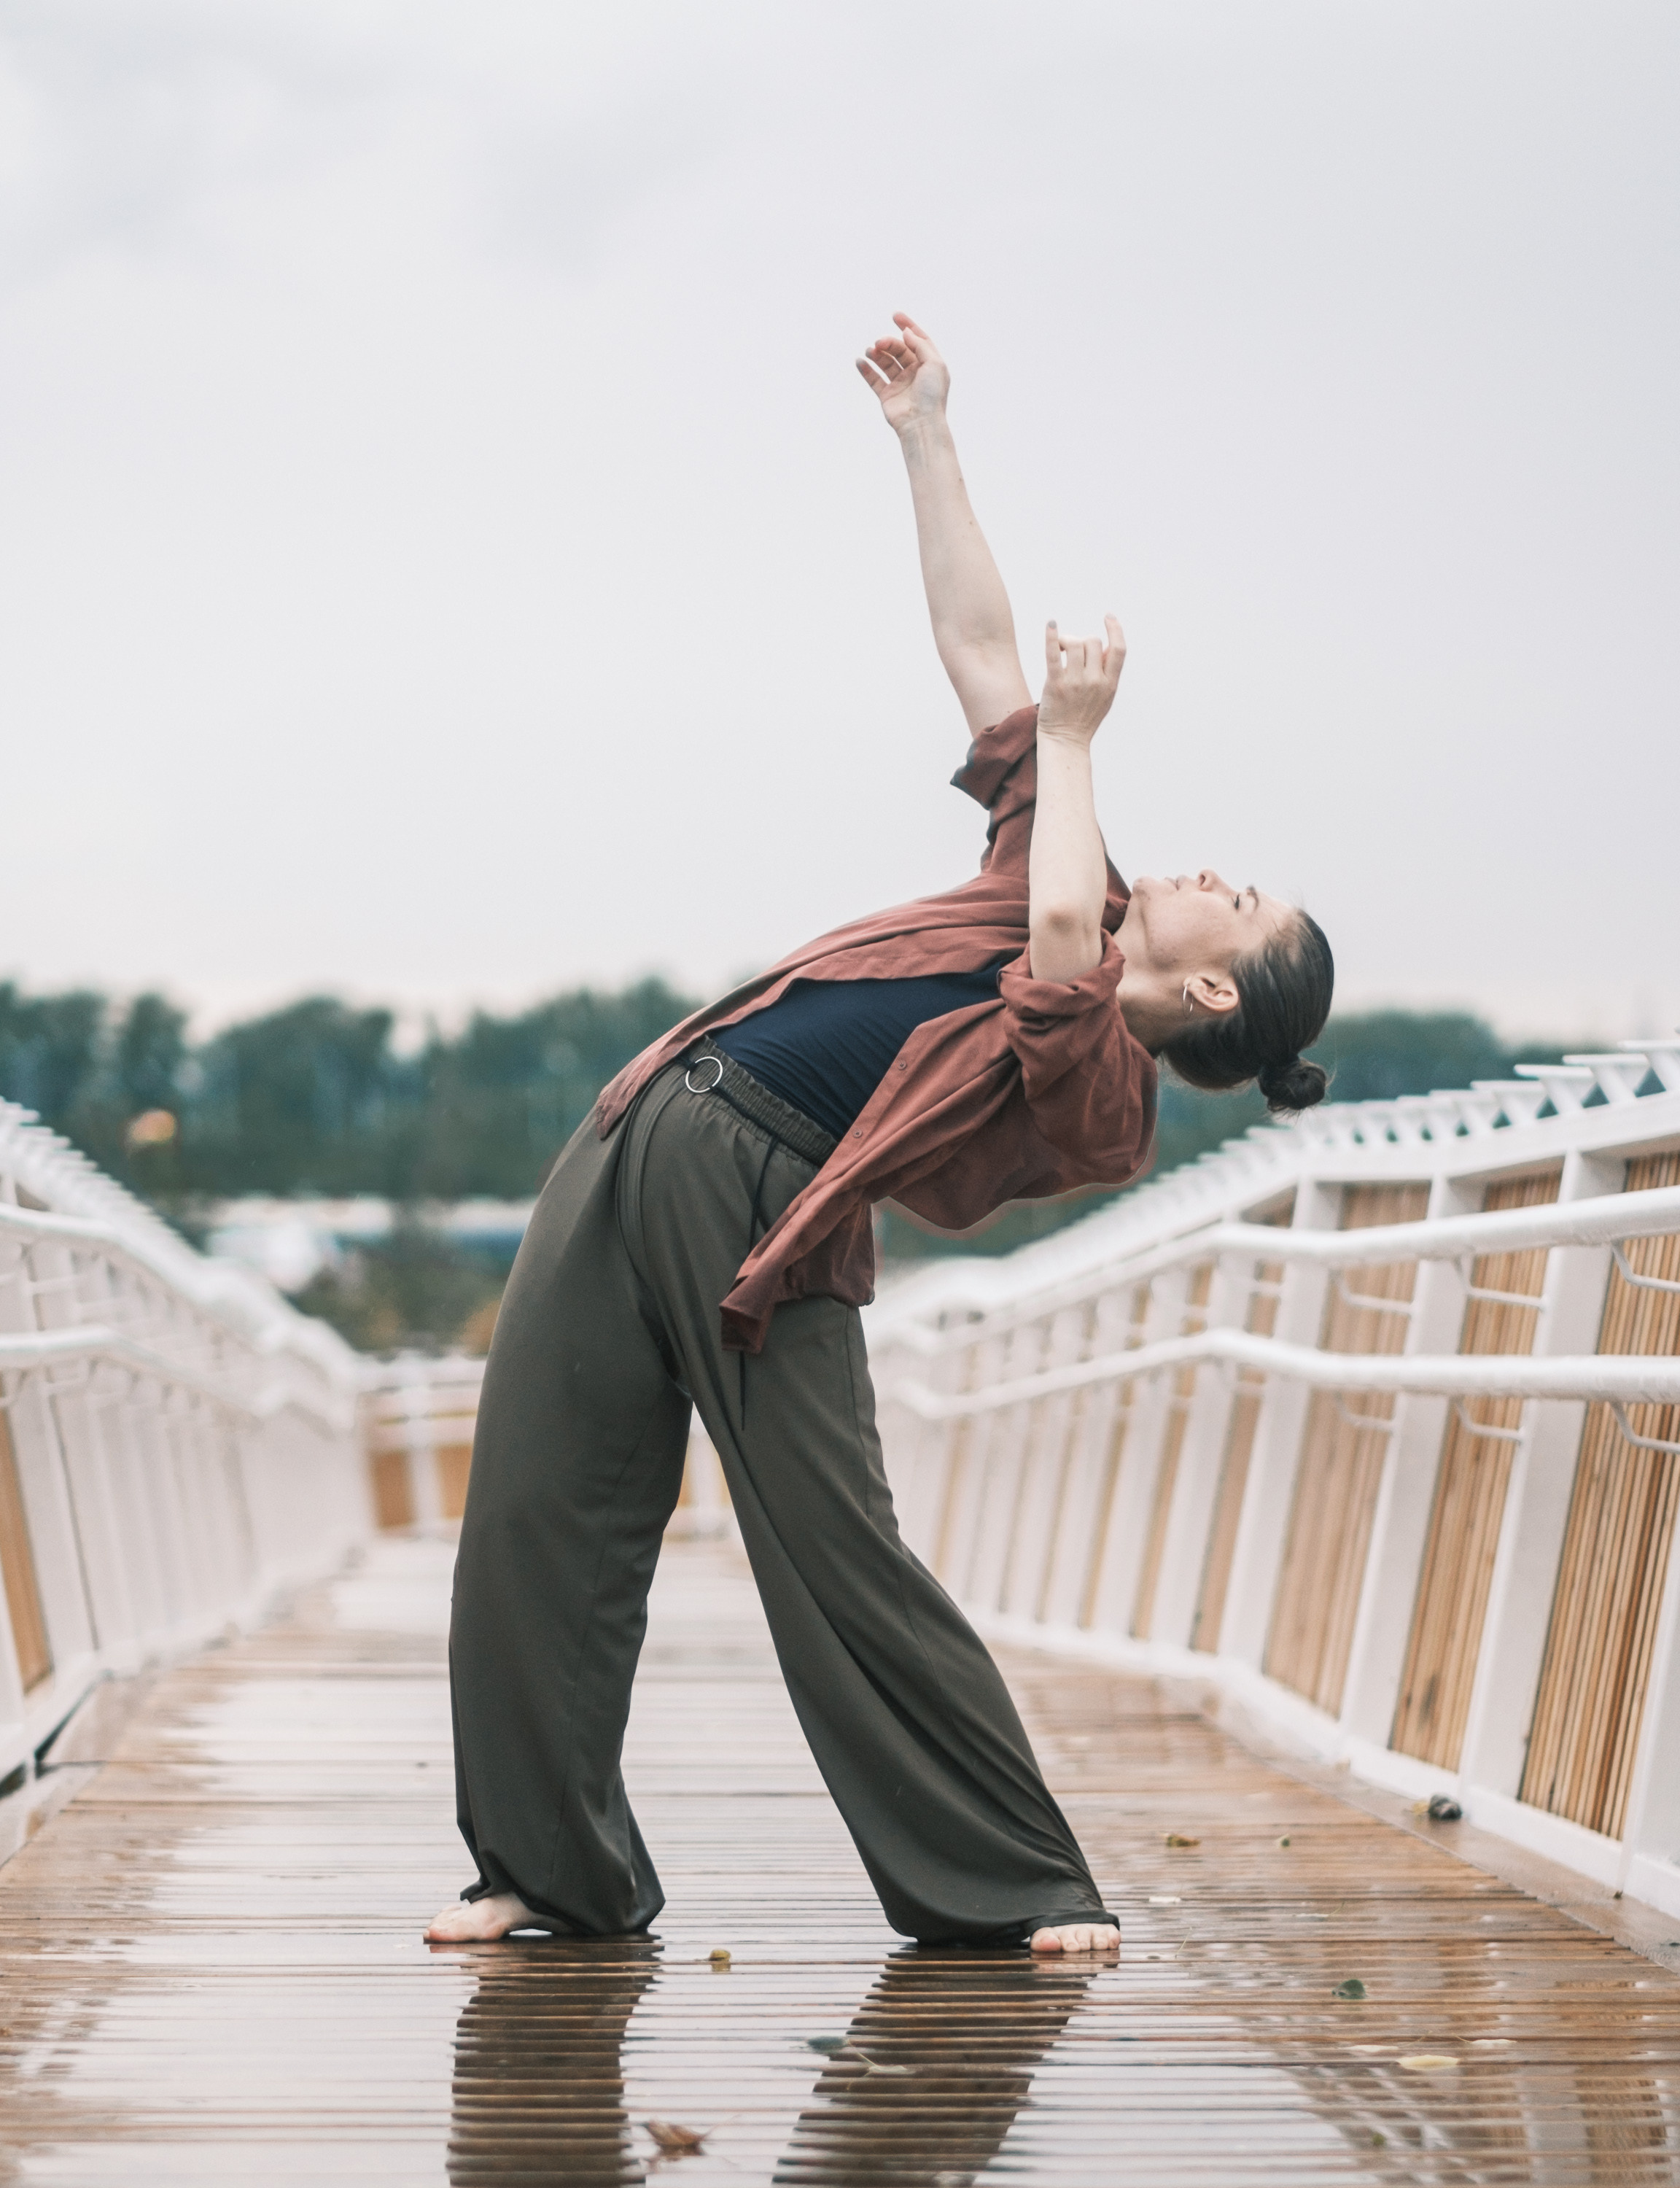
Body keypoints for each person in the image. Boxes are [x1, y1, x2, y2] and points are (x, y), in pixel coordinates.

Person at [428, 313, 1334, 1957]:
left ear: (1211, 995)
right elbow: (989, 662)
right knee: (536, 1506)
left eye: (1242, 902)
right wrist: (928, 436)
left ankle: (1019, 1886)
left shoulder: (1108, 1093)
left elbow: (1063, 961)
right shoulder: (1058, 854)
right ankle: (548, 1874)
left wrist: (1074, 745)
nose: (1215, 870)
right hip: (650, 1115)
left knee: (839, 1563)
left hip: (766, 1212)